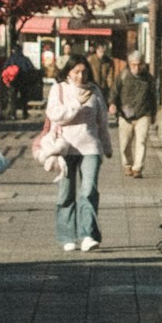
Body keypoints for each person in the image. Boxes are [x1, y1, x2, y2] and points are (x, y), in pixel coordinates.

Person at [37, 48, 110, 253]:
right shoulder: (59, 89)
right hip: (65, 147)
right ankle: (67, 235)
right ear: (68, 71)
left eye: (84, 72)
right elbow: (55, 115)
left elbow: (102, 121)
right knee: (66, 194)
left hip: (90, 147)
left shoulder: (95, 90)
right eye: (76, 71)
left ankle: (88, 235)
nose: (81, 76)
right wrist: (77, 104)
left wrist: (107, 145)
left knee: (89, 191)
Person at [108, 39, 161, 179]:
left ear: (143, 64)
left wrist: (154, 113)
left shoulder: (148, 79)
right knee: (125, 143)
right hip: (125, 114)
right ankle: (127, 164)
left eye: (139, 65)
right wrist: (112, 103)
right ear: (129, 64)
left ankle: (138, 168)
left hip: (143, 113)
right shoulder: (123, 76)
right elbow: (114, 91)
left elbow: (153, 97)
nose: (136, 68)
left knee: (141, 140)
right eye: (133, 65)